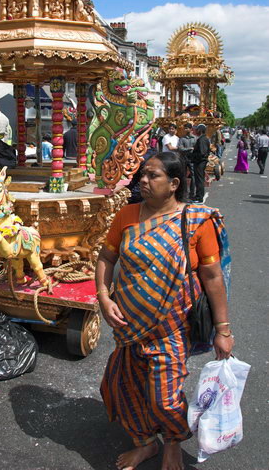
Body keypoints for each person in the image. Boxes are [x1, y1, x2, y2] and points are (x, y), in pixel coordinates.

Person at [96, 152, 232, 470]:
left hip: (172, 328)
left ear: (173, 184)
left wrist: (223, 330)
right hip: (127, 325)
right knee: (124, 386)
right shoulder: (127, 215)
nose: (142, 180)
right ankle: (145, 444)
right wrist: (103, 296)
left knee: (164, 397)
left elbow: (212, 277)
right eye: (142, 174)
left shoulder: (196, 221)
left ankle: (172, 441)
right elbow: (106, 258)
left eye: (152, 175)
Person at [178, 122, 196, 201]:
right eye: (185, 128)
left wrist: (190, 149)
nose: (185, 130)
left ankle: (192, 193)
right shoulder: (182, 139)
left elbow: (196, 149)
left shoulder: (195, 138)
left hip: (192, 159)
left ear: (191, 129)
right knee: (183, 175)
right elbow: (180, 148)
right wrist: (189, 149)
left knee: (193, 176)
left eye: (187, 128)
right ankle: (183, 192)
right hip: (184, 158)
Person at [192, 124, 210, 203]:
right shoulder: (203, 138)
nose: (196, 131)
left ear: (200, 130)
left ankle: (199, 197)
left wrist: (193, 155)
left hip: (200, 162)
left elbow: (202, 153)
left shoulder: (202, 139)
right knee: (198, 179)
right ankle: (198, 195)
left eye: (197, 129)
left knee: (199, 180)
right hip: (200, 161)